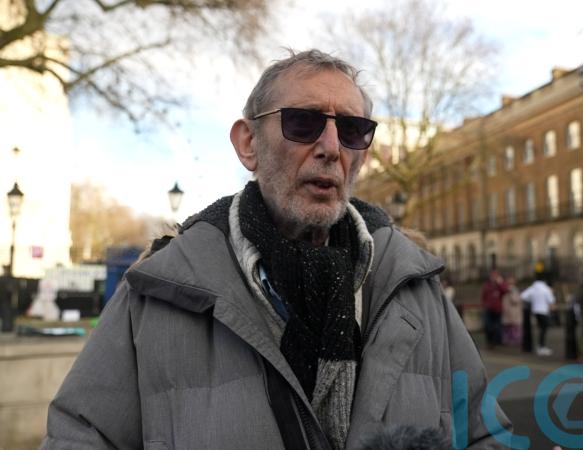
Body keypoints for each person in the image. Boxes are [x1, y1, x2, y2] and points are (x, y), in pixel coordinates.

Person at [42, 50, 509, 449]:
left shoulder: (415, 289)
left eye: (351, 130)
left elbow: (486, 434)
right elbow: (79, 436)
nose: (331, 147)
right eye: (303, 122)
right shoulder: (160, 289)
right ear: (249, 144)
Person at [521, 273, 556, 356]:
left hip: (535, 311)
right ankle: (541, 347)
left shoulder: (533, 288)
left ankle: (540, 346)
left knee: (541, 329)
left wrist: (531, 301)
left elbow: (523, 296)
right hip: (543, 311)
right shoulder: (546, 289)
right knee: (544, 329)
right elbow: (551, 301)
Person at [481, 270, 508, 348]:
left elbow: (505, 290)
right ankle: (490, 341)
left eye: (495, 276)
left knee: (498, 326)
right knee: (489, 326)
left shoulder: (500, 285)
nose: (494, 278)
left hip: (498, 309)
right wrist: (485, 304)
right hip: (489, 308)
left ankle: (497, 341)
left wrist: (500, 283)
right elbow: (484, 296)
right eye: (493, 276)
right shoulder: (487, 285)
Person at [501, 276, 523, 346]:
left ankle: (507, 340)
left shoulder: (505, 289)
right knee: (514, 327)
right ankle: (515, 340)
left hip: (507, 310)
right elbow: (515, 300)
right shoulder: (512, 289)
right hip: (513, 311)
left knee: (508, 327)